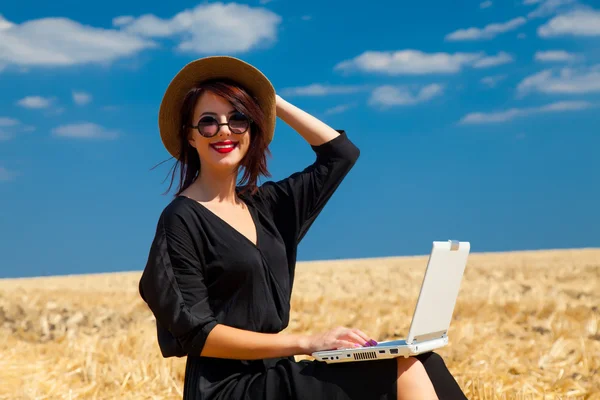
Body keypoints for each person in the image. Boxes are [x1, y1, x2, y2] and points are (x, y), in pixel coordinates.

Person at [139, 56, 467, 400]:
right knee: (403, 370)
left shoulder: (267, 207)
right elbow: (198, 334)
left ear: (253, 129)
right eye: (208, 122)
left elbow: (340, 153)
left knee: (424, 361)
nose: (224, 130)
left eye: (238, 119)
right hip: (228, 387)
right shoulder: (180, 219)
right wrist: (308, 343)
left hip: (278, 372)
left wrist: (269, 100)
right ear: (190, 138)